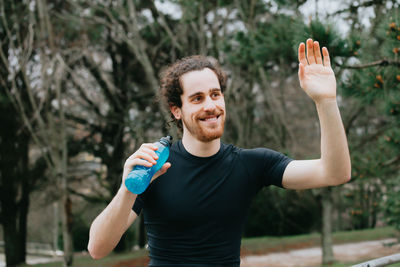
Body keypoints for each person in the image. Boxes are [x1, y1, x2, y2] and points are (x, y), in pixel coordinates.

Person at [87, 39, 351, 266]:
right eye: (197, 98)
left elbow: (334, 173)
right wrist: (127, 189)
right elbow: (97, 249)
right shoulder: (155, 166)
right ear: (176, 110)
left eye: (215, 94)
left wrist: (326, 101)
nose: (211, 105)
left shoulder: (251, 164)